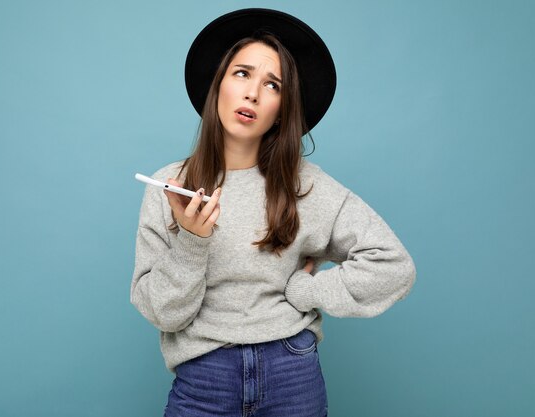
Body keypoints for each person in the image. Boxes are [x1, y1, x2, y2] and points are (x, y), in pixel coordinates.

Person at [131, 8, 416, 417]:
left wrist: (306, 292)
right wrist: (192, 241)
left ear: (282, 109)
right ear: (219, 86)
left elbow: (393, 266)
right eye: (242, 74)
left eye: (273, 84)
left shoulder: (308, 186)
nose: (253, 93)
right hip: (203, 377)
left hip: (292, 372)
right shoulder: (169, 187)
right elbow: (163, 313)